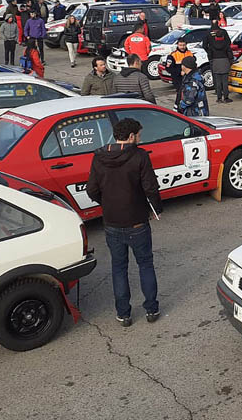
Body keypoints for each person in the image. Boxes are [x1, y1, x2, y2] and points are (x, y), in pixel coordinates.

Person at [85, 116, 162, 327]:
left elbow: (91, 189)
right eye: (139, 135)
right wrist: (156, 209)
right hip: (137, 222)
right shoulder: (140, 157)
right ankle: (151, 309)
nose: (140, 139)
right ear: (131, 136)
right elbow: (150, 188)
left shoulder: (99, 156)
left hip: (111, 223)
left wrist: (106, 202)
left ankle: (124, 314)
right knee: (145, 265)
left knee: (119, 268)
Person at [205, 23, 234, 103]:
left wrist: (211, 60)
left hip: (215, 62)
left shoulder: (211, 45)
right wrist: (230, 61)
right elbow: (230, 54)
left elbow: (209, 54)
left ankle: (219, 98)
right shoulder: (226, 44)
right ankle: (226, 97)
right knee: (225, 81)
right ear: (223, 36)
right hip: (224, 62)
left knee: (218, 81)